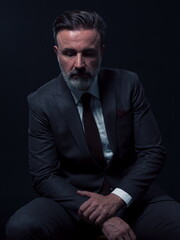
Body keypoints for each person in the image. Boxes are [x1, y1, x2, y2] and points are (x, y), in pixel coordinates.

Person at [6, 10, 180, 240]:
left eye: (88, 53)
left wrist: (116, 199)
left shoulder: (128, 84)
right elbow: (44, 175)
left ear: (101, 52)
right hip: (75, 201)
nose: (79, 64)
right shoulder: (41, 102)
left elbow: (153, 152)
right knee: (21, 227)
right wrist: (103, 216)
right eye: (69, 53)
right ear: (57, 53)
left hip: (133, 196)